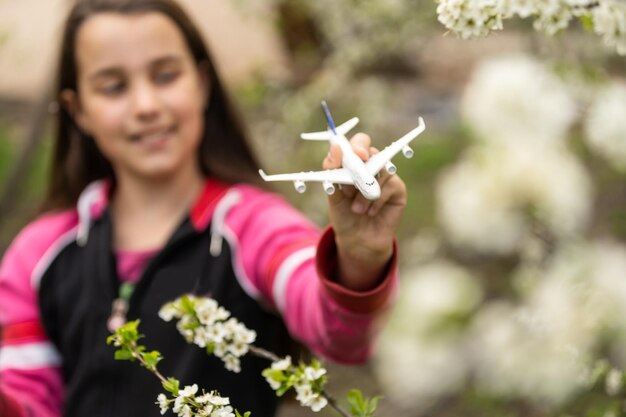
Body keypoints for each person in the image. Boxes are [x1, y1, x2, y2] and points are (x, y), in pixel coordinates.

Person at [0, 0, 407, 416]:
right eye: (113, 87)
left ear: (203, 83)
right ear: (78, 110)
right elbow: (27, 399)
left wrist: (357, 260)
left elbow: (338, 332)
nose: (146, 105)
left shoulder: (254, 227)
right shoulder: (36, 255)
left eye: (165, 75)